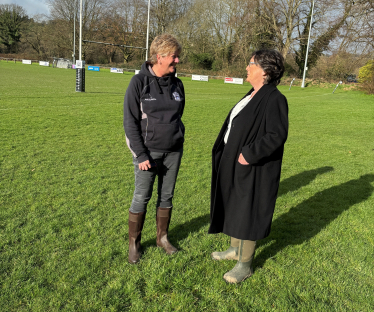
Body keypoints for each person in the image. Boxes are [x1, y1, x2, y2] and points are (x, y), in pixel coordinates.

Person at [209, 49, 288, 283]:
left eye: (251, 63)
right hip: (233, 160)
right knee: (235, 205)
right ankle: (235, 249)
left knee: (247, 211)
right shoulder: (252, 94)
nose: (246, 67)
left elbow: (277, 134)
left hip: (253, 166)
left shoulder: (274, 98)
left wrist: (248, 155)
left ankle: (245, 265)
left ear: (265, 71)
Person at [123, 34, 185, 264]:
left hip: (173, 152)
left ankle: (162, 238)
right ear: (160, 57)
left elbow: (178, 115)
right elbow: (130, 121)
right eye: (174, 56)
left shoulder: (178, 84)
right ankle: (134, 244)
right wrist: (140, 154)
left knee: (166, 196)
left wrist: (178, 137)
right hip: (147, 154)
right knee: (141, 197)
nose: (177, 61)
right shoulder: (139, 82)